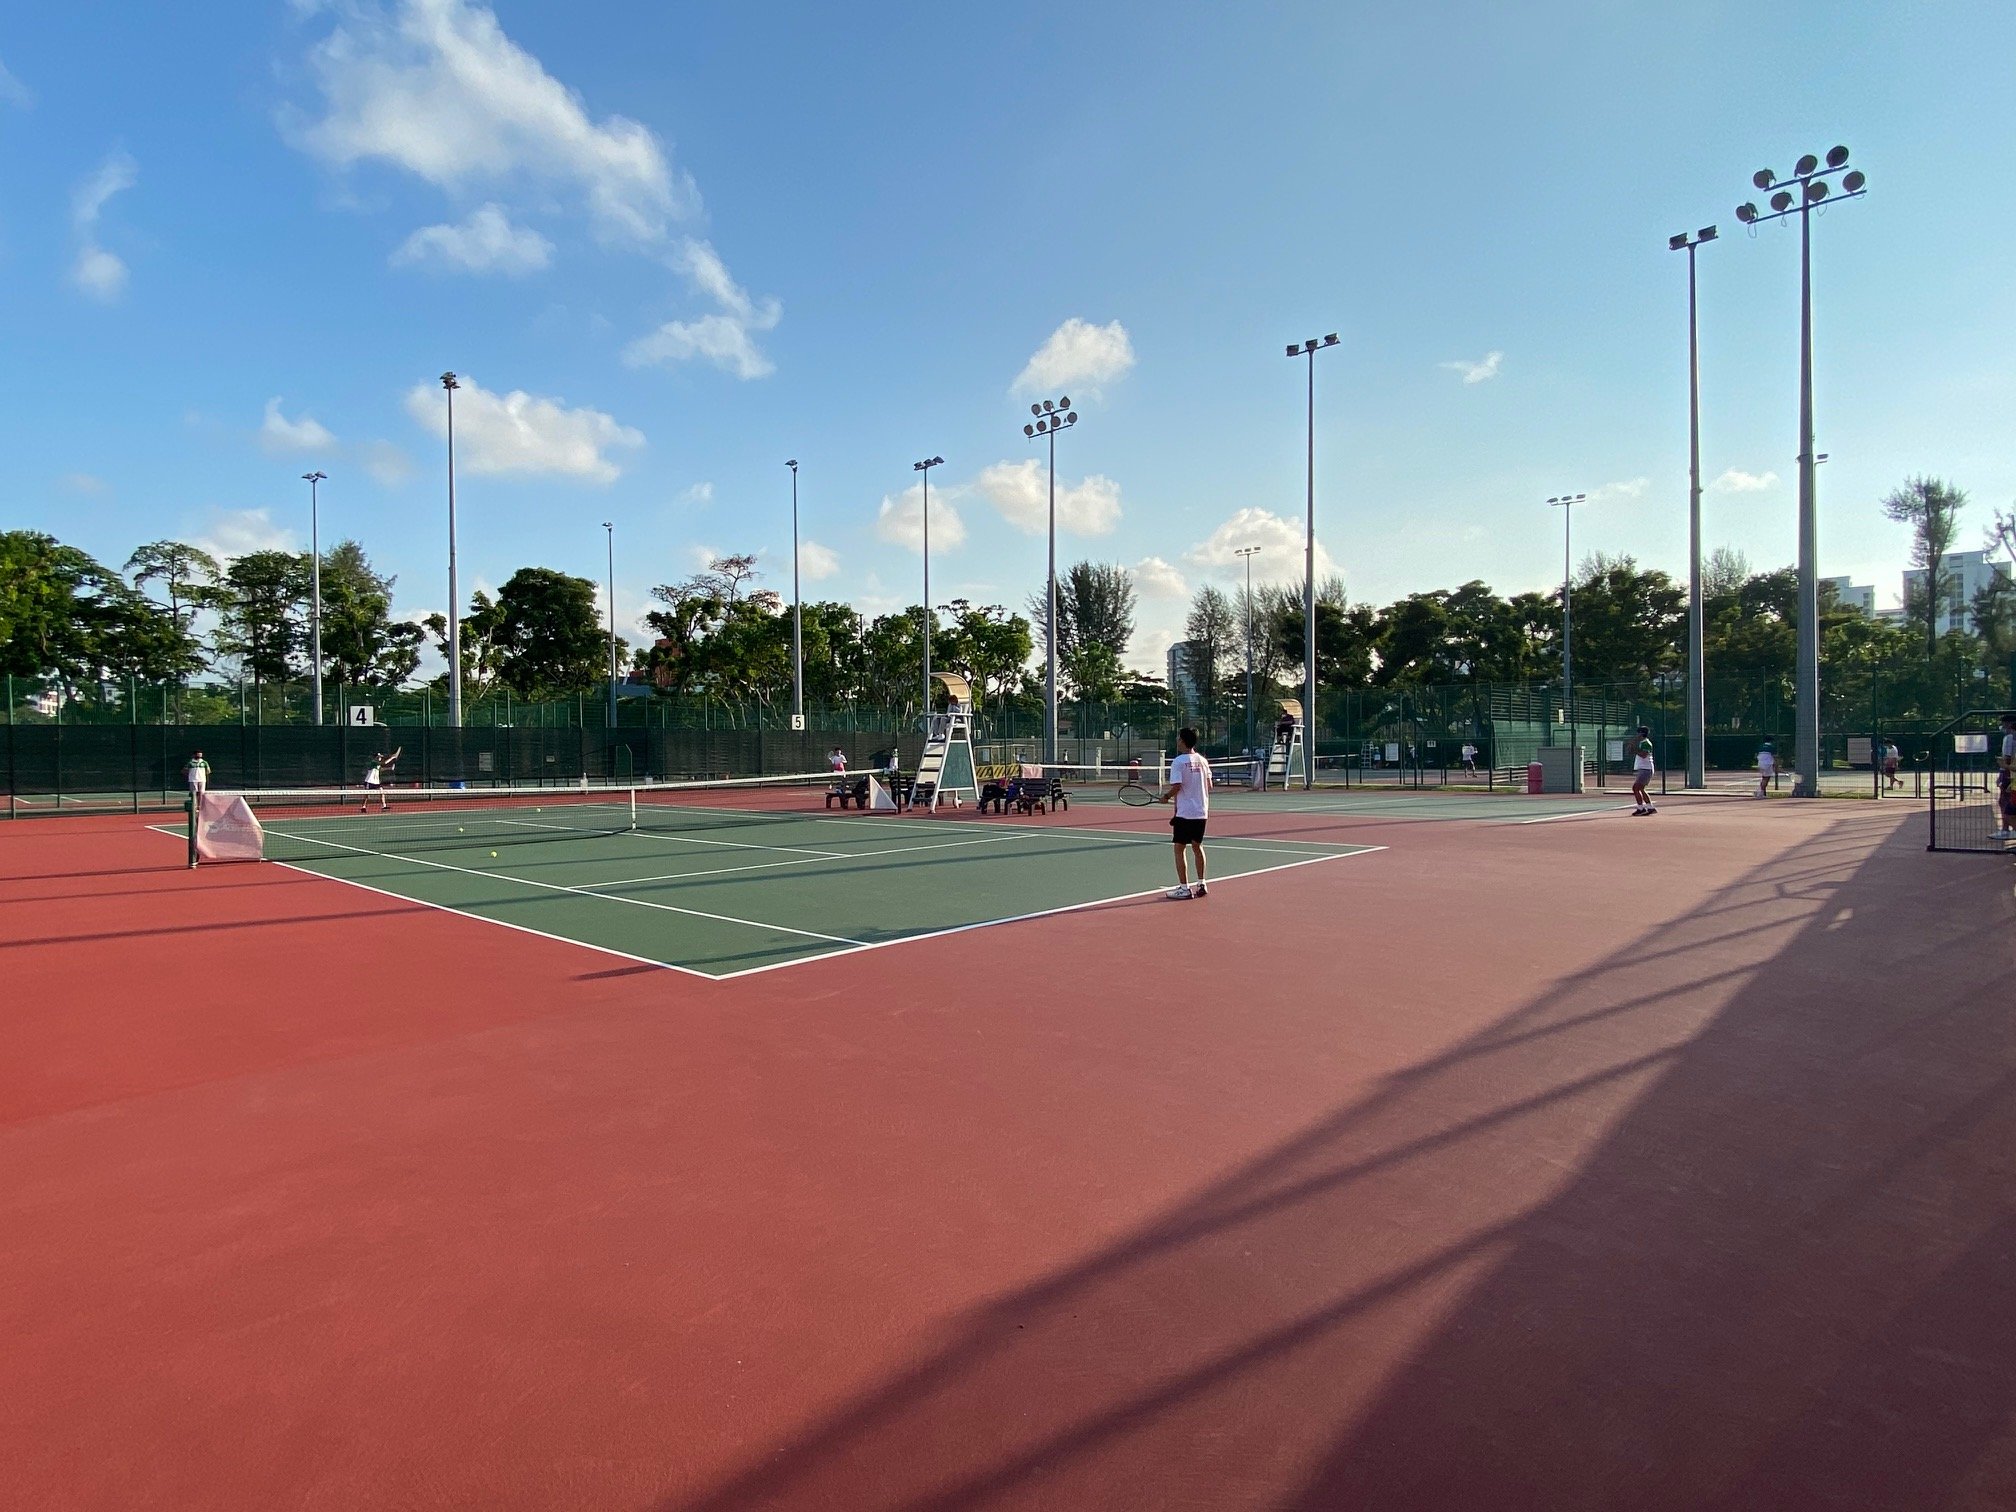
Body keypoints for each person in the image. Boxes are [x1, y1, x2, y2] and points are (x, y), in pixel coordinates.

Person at [1158, 727, 1211, 899]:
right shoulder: (1203, 761)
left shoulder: (1178, 762)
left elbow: (1177, 786)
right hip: (1201, 812)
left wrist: (1166, 797)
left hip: (1185, 813)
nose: (1177, 741)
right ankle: (1202, 883)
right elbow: (1210, 786)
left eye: (1178, 738)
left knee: (1179, 849)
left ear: (1183, 740)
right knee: (1197, 847)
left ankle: (1184, 888)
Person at [360, 747, 401, 813]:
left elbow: (381, 769)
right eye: (379, 757)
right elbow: (384, 763)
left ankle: (384, 806)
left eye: (380, 757)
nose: (380, 758)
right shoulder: (373, 762)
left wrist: (389, 768)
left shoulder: (378, 765)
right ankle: (363, 807)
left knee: (382, 792)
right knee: (366, 795)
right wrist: (392, 757)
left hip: (376, 782)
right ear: (376, 757)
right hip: (369, 781)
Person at [1996, 712, 2016, 841]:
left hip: (2008, 773)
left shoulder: (2009, 738)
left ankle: (2005, 829)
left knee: (2004, 800)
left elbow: (2007, 758)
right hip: (2010, 772)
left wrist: (2003, 769)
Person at [1630, 726, 1657, 815]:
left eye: (1638, 733)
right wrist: (1633, 745)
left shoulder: (1646, 743)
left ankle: (1641, 808)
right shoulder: (1641, 743)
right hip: (1643, 769)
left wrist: (1634, 749)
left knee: (1636, 788)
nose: (1637, 734)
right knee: (1640, 788)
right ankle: (1650, 807)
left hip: (1646, 769)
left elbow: (1643, 755)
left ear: (1642, 733)